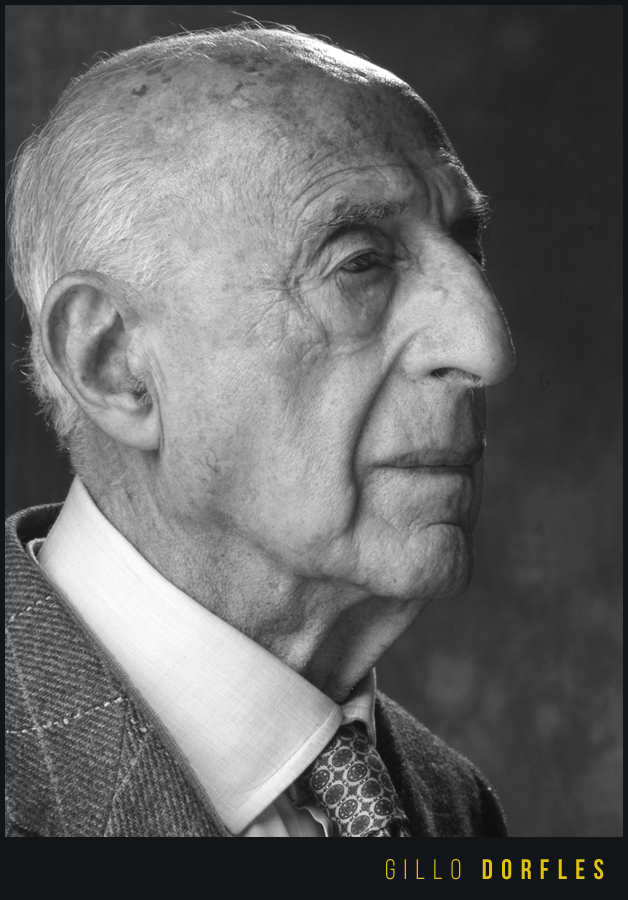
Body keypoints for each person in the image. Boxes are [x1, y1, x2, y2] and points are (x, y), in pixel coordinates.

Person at [5, 25, 515, 838]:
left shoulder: (452, 807)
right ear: (112, 362)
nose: (485, 348)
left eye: (466, 250)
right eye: (359, 262)